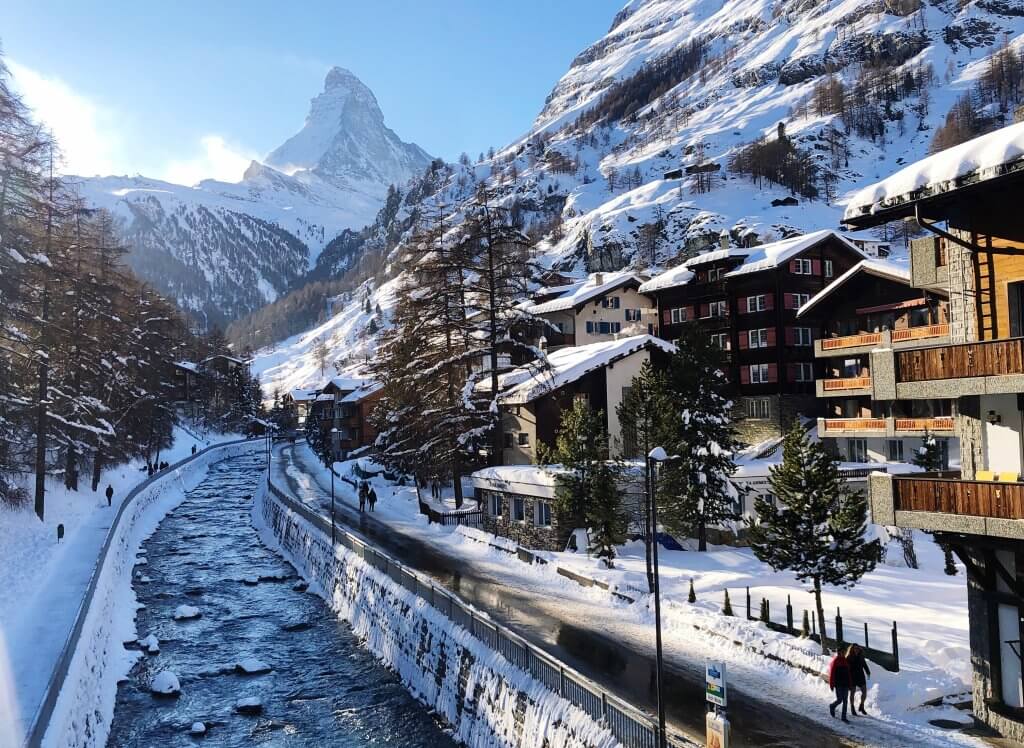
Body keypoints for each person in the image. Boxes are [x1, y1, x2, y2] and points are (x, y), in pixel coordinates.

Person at [828, 648, 853, 723]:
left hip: (845, 684)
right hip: (838, 684)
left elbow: (848, 674)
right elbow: (832, 674)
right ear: (838, 653)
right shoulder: (835, 661)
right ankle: (832, 706)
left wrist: (850, 684)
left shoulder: (845, 661)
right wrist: (832, 684)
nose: (843, 653)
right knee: (840, 700)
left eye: (844, 652)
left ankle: (843, 717)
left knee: (845, 701)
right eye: (841, 652)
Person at [847, 644, 870, 715]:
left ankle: (861, 706)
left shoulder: (861, 656)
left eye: (857, 648)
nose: (856, 649)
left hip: (860, 676)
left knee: (864, 692)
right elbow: (846, 668)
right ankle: (852, 707)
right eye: (855, 648)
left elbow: (864, 664)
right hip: (852, 677)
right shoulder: (849, 657)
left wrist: (868, 672)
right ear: (852, 649)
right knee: (852, 693)